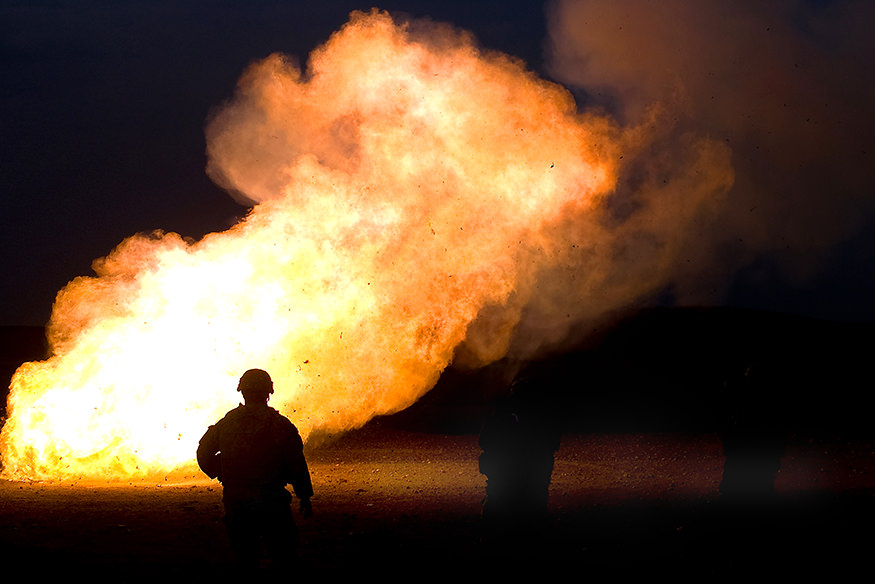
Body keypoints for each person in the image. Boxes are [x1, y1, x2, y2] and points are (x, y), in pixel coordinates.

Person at [197, 369, 313, 571]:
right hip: (271, 499)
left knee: (245, 558)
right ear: (269, 392)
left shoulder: (228, 423)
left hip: (237, 500)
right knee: (284, 556)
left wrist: (222, 472)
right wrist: (304, 496)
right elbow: (296, 462)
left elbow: (203, 453)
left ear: (242, 392)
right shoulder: (280, 424)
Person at [477, 375, 561, 555]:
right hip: (521, 482)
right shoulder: (537, 419)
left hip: (522, 481)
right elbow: (485, 441)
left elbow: (484, 441)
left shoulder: (507, 418)